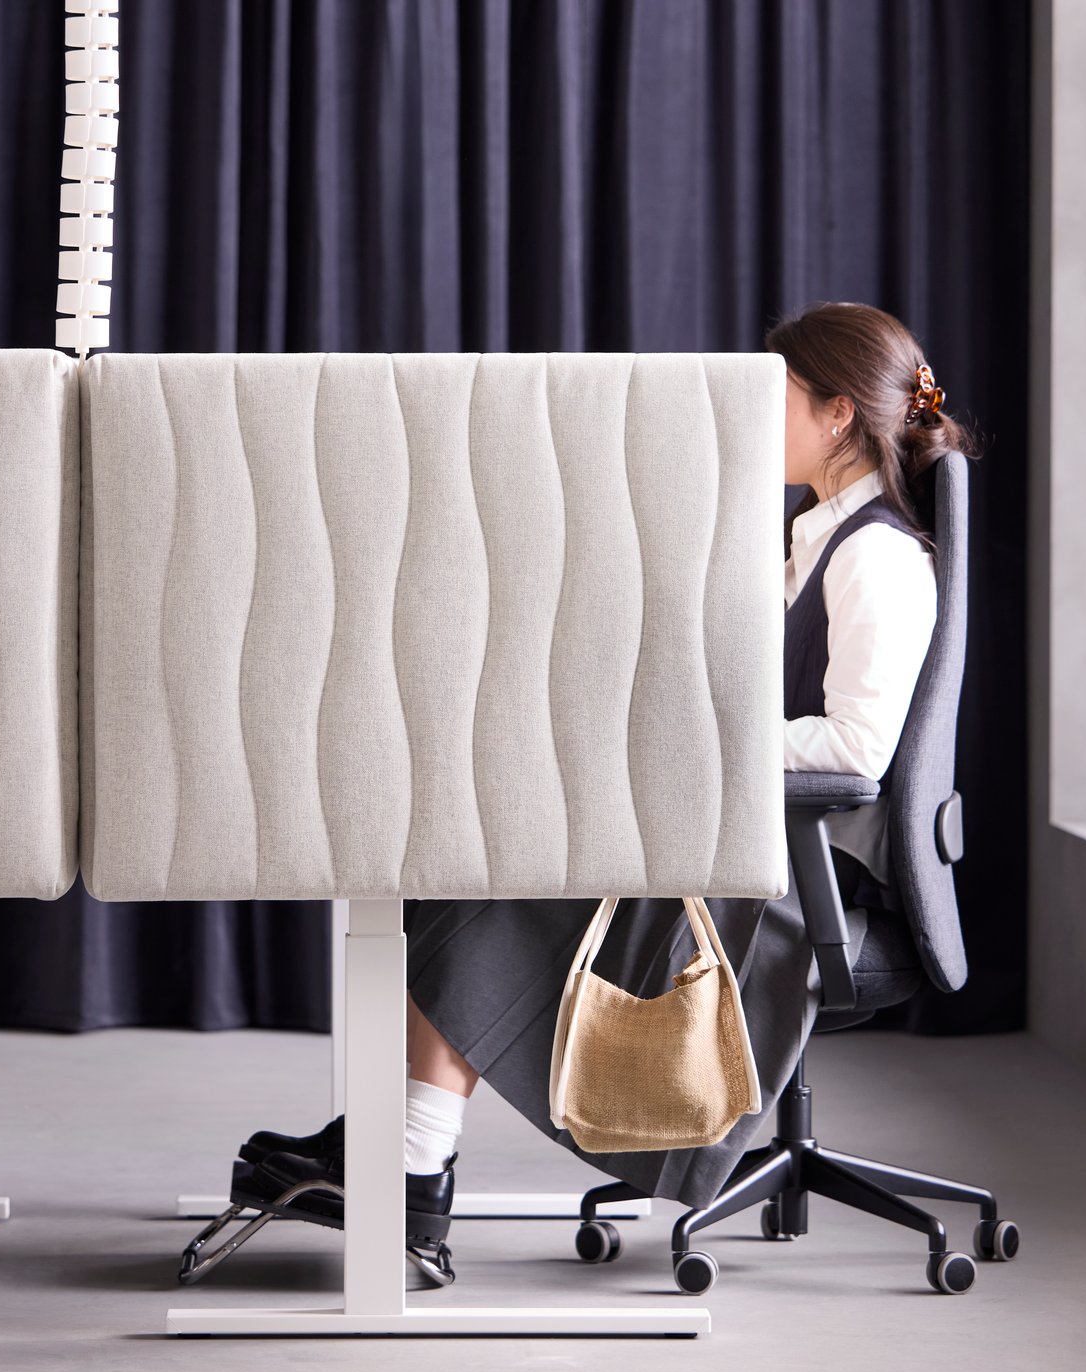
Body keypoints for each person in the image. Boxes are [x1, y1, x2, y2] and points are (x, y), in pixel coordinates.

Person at [235, 301, 980, 1283]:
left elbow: (854, 750)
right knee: (489, 858)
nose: (747, 416)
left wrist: (687, 746)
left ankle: (410, 1164)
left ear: (837, 412)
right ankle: (399, 1146)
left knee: (499, 880)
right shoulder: (817, 535)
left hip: (805, 887)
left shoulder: (875, 555)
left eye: (774, 395)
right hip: (757, 849)